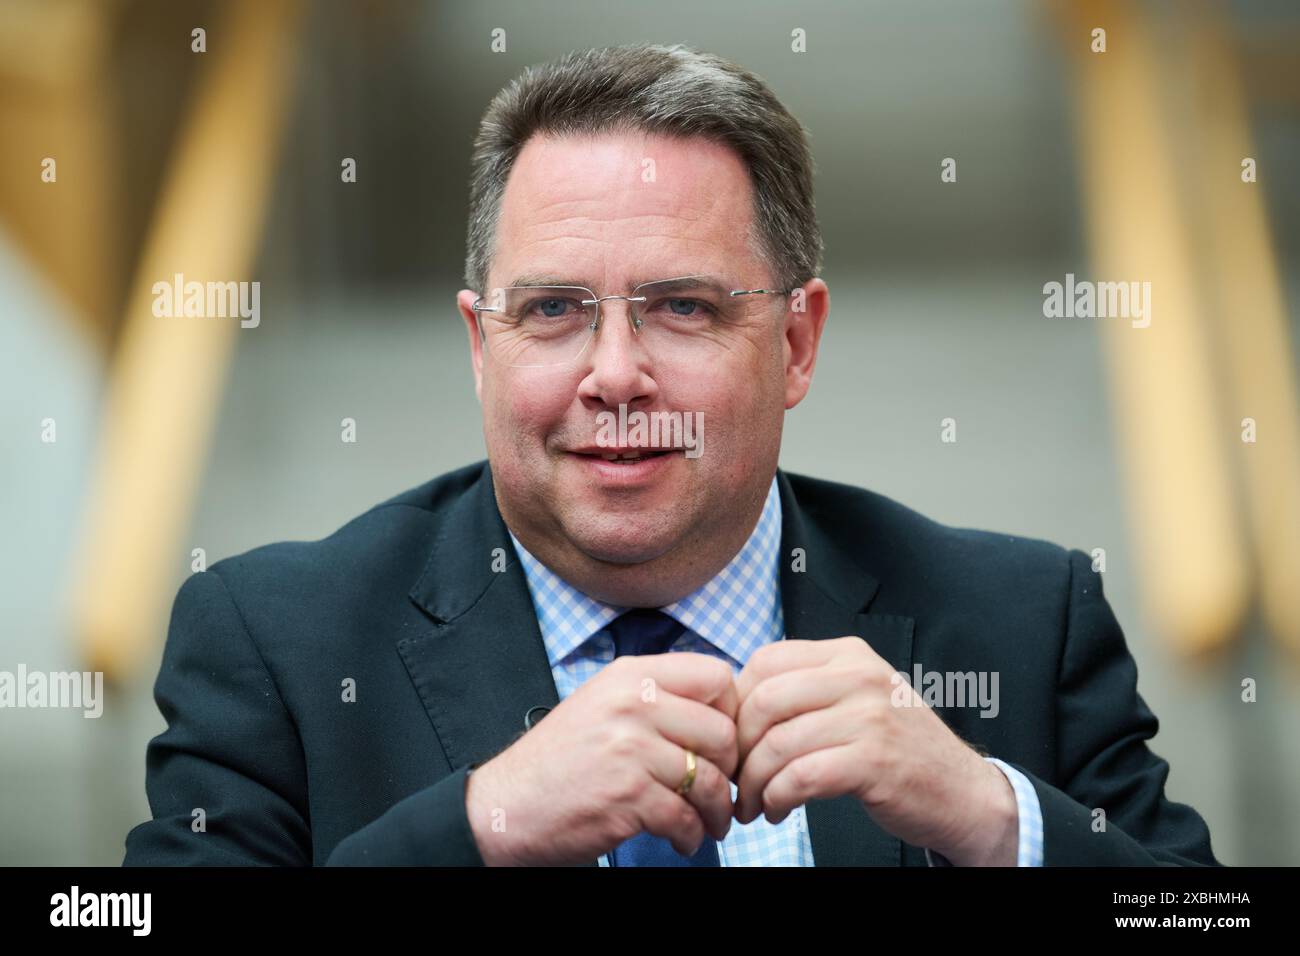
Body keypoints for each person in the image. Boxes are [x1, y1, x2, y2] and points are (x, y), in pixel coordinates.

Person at [123, 43, 1219, 867]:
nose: (613, 373)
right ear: (479, 344)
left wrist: (993, 818)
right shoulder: (275, 639)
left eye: (682, 307)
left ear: (794, 343)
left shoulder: (1023, 618)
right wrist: (480, 824)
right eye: (552, 308)